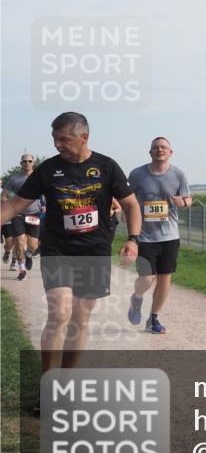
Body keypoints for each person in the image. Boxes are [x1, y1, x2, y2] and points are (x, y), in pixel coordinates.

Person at [0, 113, 142, 384]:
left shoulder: (106, 166)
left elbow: (131, 205)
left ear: (84, 137)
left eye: (64, 139)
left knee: (80, 317)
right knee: (60, 312)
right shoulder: (47, 170)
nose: (58, 145)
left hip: (94, 251)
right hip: (58, 249)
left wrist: (133, 239)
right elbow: (15, 205)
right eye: (54, 140)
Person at [126, 137, 192, 335]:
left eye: (163, 147)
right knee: (147, 278)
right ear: (150, 152)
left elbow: (188, 198)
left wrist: (184, 202)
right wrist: (124, 214)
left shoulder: (178, 174)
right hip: (145, 236)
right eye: (155, 147)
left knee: (164, 278)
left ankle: (153, 318)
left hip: (170, 235)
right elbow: (128, 199)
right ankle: (137, 298)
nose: (159, 150)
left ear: (170, 152)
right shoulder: (137, 174)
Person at [2, 154, 43, 279]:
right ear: (21, 163)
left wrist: (45, 204)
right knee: (19, 241)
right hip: (18, 214)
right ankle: (22, 270)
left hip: (34, 214)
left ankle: (29, 254)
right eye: (24, 161)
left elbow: (46, 193)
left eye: (29, 161)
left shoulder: (39, 178)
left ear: (33, 163)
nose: (27, 163)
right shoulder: (14, 179)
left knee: (33, 245)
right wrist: (7, 204)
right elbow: (4, 195)